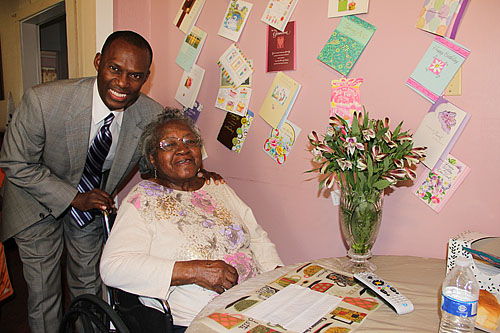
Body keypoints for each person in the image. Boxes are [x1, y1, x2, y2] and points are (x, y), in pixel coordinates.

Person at [0, 30, 164, 332]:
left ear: (146, 77)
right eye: (115, 69)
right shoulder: (44, 101)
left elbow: (152, 167)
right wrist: (74, 197)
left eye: (135, 76)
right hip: (33, 202)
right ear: (98, 62)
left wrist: (190, 180)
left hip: (90, 206)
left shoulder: (151, 115)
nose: (123, 84)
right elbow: (15, 162)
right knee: (44, 291)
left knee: (88, 285)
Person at [100, 108, 283, 331]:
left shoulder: (217, 187)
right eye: (169, 144)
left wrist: (277, 278)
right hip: (198, 319)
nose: (183, 150)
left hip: (255, 303)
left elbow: (257, 238)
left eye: (190, 141)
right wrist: (195, 271)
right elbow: (113, 267)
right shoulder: (142, 199)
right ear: (152, 159)